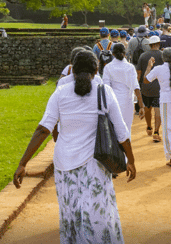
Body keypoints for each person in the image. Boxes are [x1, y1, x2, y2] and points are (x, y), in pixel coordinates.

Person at [13, 50, 136, 244]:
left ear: (73, 70)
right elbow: (122, 133)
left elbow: (43, 130)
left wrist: (22, 163)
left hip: (64, 165)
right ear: (97, 69)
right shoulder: (105, 92)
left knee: (71, 216)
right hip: (95, 165)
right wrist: (131, 160)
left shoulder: (60, 93)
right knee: (97, 215)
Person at [144, 47, 171, 167]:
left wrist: (149, 66)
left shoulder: (158, 69)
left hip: (165, 101)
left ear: (163, 58)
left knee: (168, 128)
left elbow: (146, 81)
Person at [103, 43, 145, 133]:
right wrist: (141, 106)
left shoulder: (108, 67)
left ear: (113, 54)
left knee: (114, 130)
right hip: (128, 102)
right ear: (125, 53)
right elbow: (136, 88)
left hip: (112, 102)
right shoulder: (130, 67)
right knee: (127, 129)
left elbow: (106, 88)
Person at [137, 34, 163, 142]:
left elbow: (139, 73)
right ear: (158, 44)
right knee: (158, 109)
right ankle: (156, 131)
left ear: (150, 45)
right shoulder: (163, 55)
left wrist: (138, 85)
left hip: (146, 86)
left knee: (147, 108)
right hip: (159, 86)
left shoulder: (143, 56)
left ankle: (149, 126)